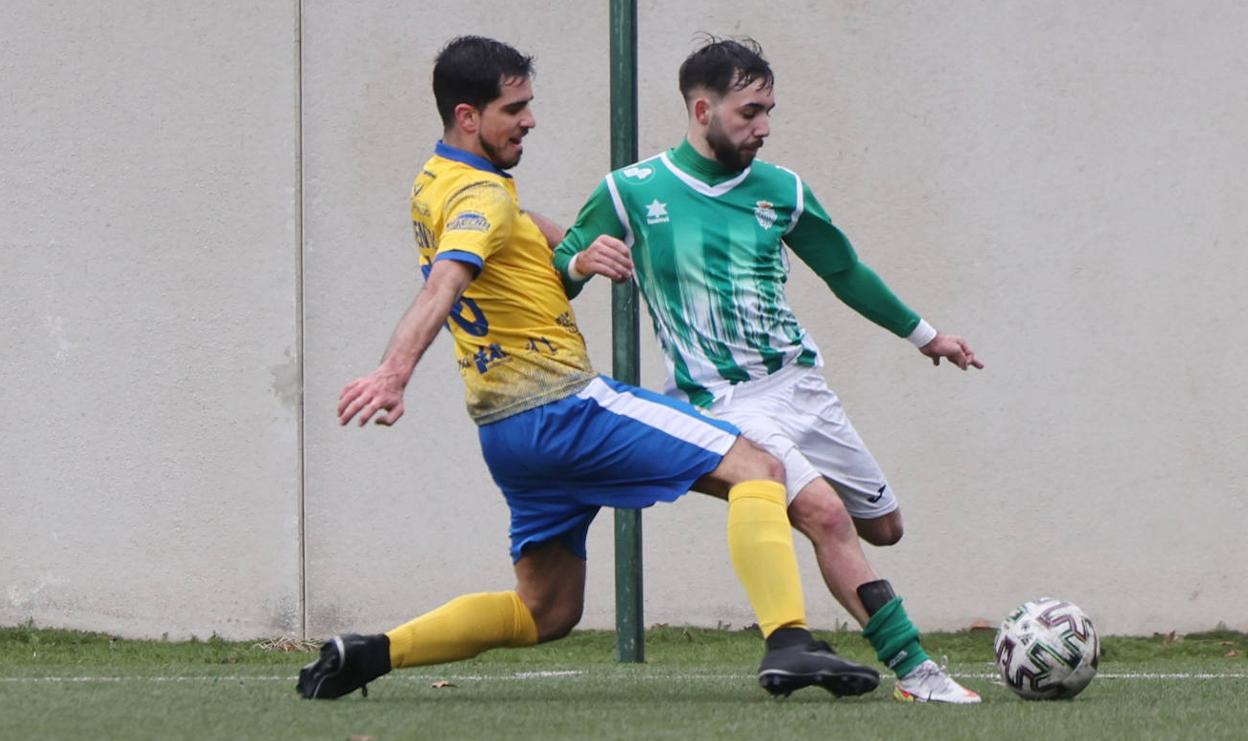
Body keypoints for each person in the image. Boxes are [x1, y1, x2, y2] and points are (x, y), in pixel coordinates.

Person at [297, 35, 880, 701]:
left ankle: (371, 653)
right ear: (467, 116)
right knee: (759, 469)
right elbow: (446, 283)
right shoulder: (482, 199)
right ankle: (789, 641)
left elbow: (508, 228)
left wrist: (571, 253)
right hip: (565, 408)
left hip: (506, 435)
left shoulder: (437, 184)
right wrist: (394, 371)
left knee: (546, 611)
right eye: (513, 108)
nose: (530, 119)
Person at [552, 37, 984, 704]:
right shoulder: (630, 191)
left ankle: (783, 513)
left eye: (769, 112)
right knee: (825, 517)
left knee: (884, 527)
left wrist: (927, 338)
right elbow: (557, 273)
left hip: (801, 388)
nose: (764, 128)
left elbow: (844, 271)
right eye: (750, 112)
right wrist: (577, 264)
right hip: (724, 402)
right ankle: (918, 673)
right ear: (702, 110)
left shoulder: (782, 190)